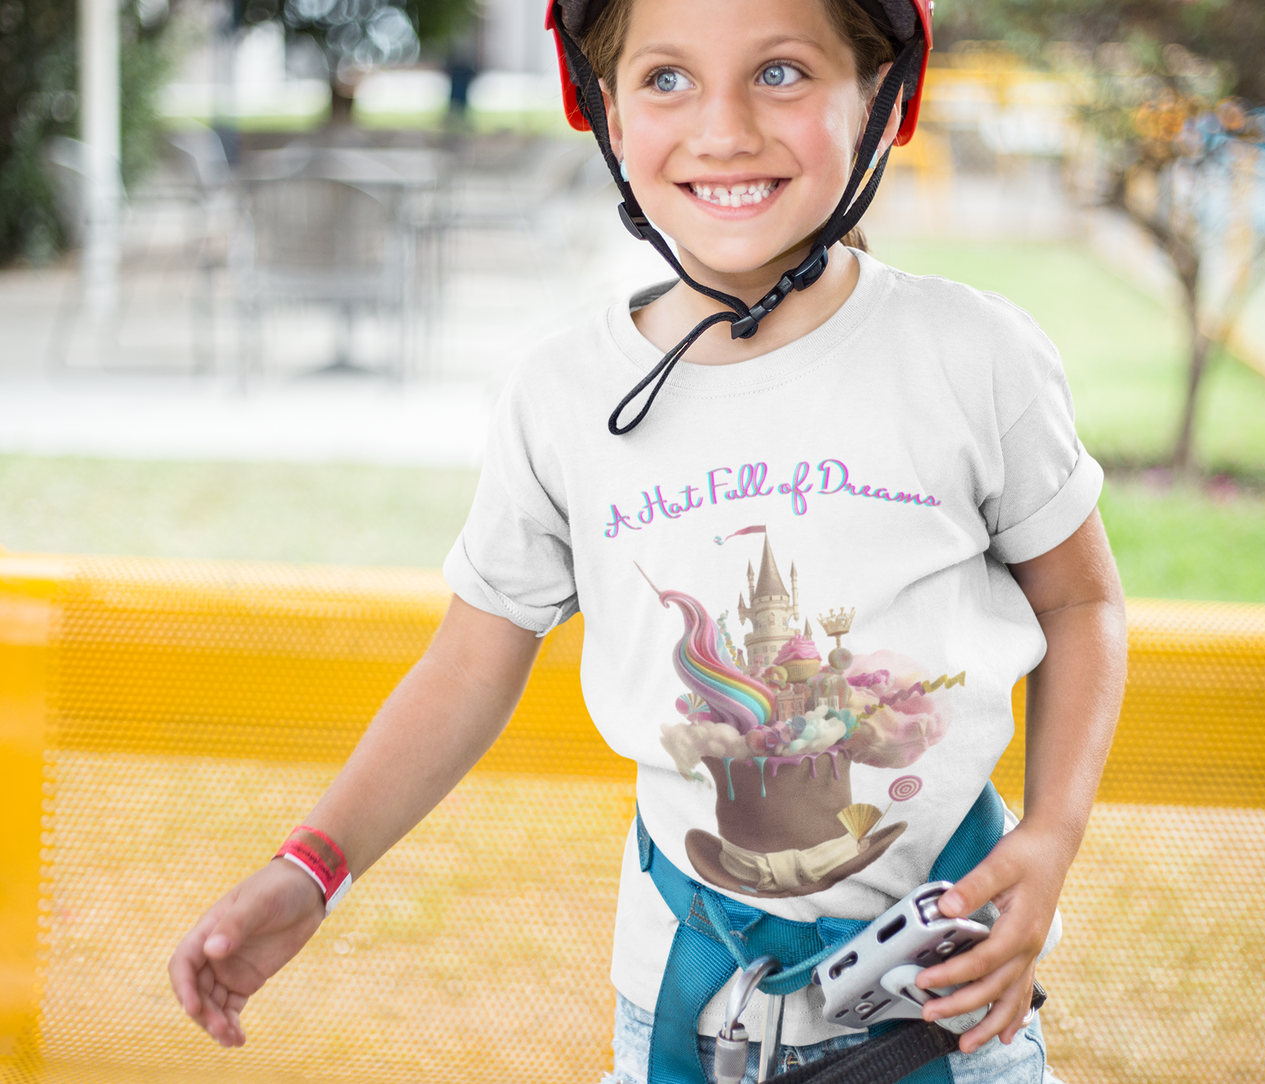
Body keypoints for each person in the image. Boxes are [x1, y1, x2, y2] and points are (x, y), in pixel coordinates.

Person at [168, 0, 1128, 1080]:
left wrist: (1047, 838)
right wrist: (313, 865)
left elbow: (1081, 602)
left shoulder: (971, 357)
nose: (721, 129)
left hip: (951, 1019)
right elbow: (468, 665)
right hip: (683, 1021)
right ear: (608, 115)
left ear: (879, 97)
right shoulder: (563, 396)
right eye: (666, 78)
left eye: (779, 73)